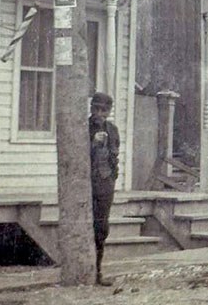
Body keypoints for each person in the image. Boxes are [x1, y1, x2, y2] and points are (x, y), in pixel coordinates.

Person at [89, 91, 120, 286]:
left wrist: (112, 177)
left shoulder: (113, 129)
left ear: (109, 111)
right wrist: (93, 143)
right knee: (87, 227)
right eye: (96, 108)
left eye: (103, 110)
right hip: (87, 183)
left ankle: (97, 272)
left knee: (101, 228)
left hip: (105, 183)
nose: (99, 113)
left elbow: (115, 155)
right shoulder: (84, 127)